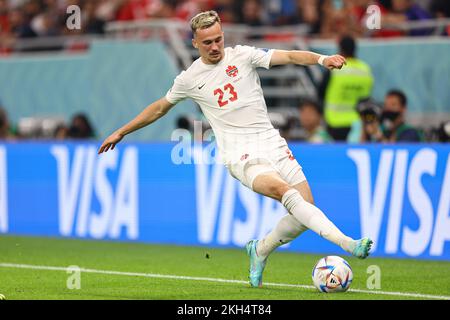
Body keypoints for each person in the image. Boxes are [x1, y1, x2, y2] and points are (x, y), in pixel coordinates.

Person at [98, 10, 373, 288]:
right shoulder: (189, 78)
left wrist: (322, 59)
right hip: (240, 154)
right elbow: (159, 108)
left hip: (272, 143)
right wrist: (122, 131)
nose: (215, 47)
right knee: (284, 192)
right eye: (207, 43)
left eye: (218, 40)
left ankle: (260, 249)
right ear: (195, 43)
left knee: (304, 212)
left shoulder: (243, 55)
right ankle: (347, 243)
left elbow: (289, 56)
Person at [321, 35, 374, 141]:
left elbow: (321, 92)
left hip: (335, 122)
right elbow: (368, 94)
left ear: (340, 49)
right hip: (358, 123)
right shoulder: (365, 69)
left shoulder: (335, 68)